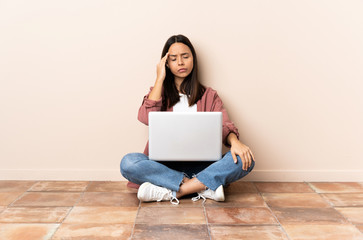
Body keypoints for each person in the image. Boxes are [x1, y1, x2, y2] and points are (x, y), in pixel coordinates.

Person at [120, 34, 255, 205]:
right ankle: (203, 187)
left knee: (244, 158)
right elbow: (145, 117)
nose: (181, 63)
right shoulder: (158, 92)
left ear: (193, 59)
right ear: (166, 63)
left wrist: (235, 142)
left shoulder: (209, 95)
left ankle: (174, 191)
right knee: (128, 162)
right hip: (164, 167)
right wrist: (159, 78)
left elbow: (224, 125)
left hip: (203, 166)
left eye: (185, 56)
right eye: (174, 59)